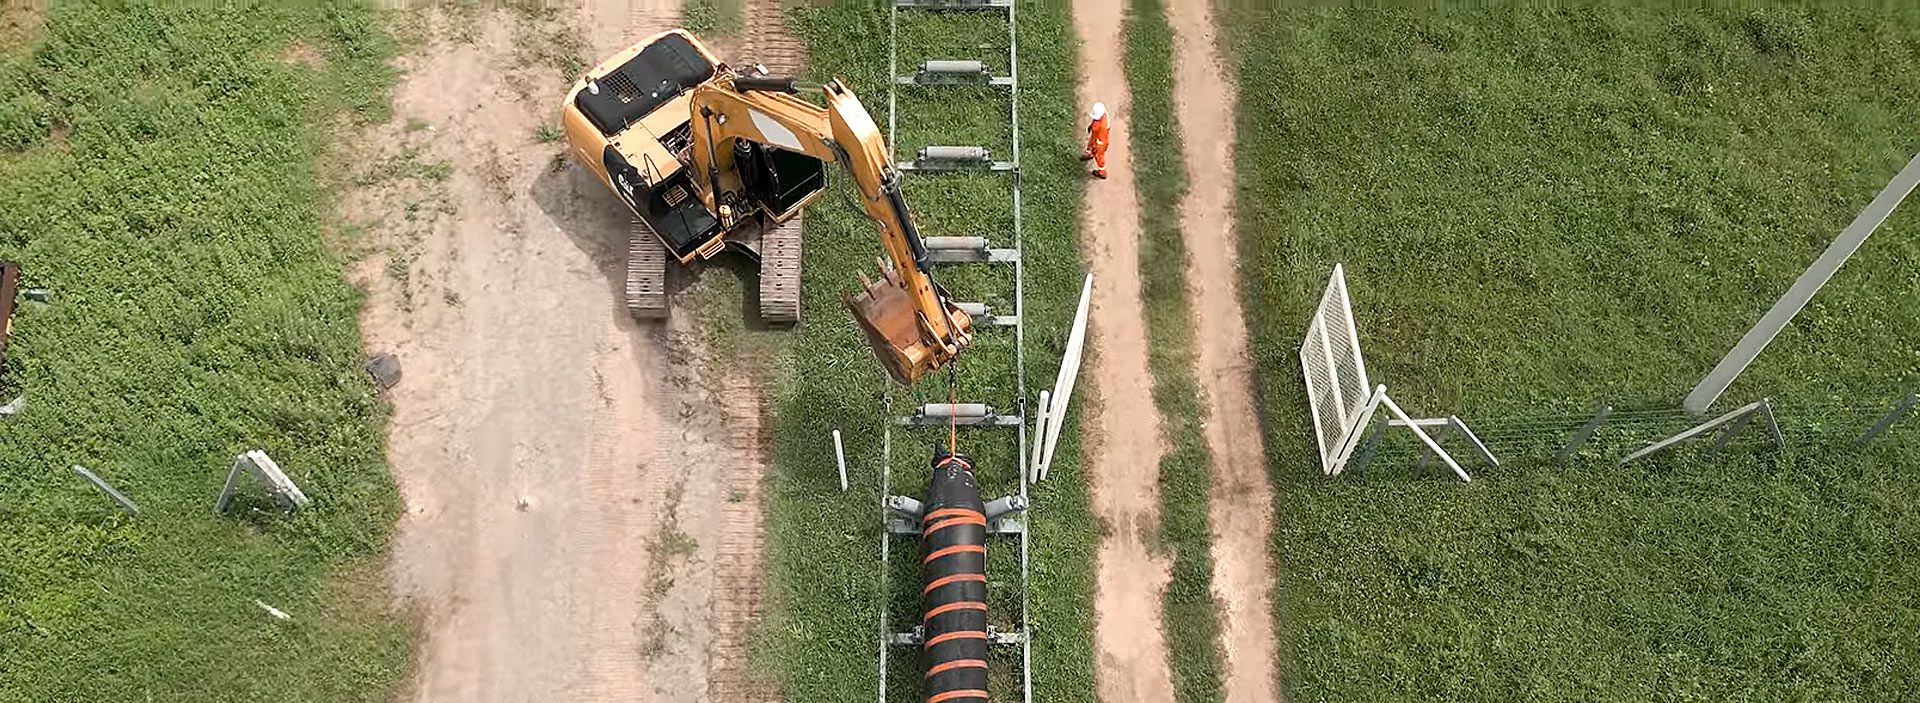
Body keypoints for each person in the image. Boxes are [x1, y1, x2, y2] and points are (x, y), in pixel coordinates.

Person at [1079, 102, 1109, 179]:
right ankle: (1090, 154)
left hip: (1100, 142)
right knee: (1090, 145)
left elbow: (1101, 141)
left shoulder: (1102, 126)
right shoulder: (1103, 115)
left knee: (1099, 156)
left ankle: (1102, 172)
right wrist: (1091, 126)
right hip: (1096, 136)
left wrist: (1095, 147)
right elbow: (1095, 121)